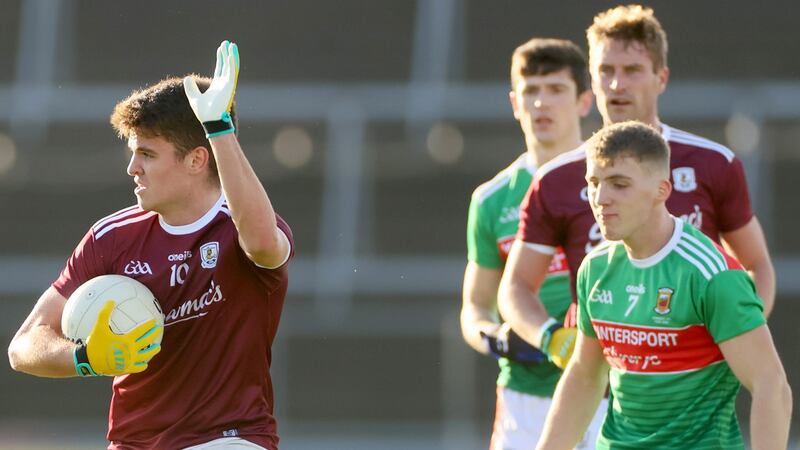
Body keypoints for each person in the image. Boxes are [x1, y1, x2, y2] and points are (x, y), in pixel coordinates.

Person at [8, 41, 293, 450]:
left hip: (229, 440)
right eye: (132, 152)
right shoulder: (111, 238)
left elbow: (265, 245)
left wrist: (219, 129)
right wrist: (85, 359)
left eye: (147, 154)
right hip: (132, 444)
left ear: (197, 160)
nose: (132, 168)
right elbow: (24, 345)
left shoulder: (242, 224)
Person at [498, 4, 775, 366]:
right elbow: (516, 286)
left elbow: (756, 264)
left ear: (661, 78)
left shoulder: (712, 163)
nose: (616, 84)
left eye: (632, 70)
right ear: (592, 80)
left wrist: (739, 335)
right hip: (597, 386)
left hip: (688, 380)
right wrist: (551, 337)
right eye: (605, 70)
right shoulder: (555, 178)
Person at [535, 121, 791, 449]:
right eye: (594, 183)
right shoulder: (594, 269)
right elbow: (585, 376)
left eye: (619, 184)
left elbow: (772, 385)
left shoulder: (711, 273)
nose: (601, 198)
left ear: (662, 190)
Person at [460, 37, 605, 449]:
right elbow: (474, 306)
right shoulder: (491, 199)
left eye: (556, 89)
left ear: (583, 101)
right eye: (531, 91)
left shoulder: (612, 185)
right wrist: (496, 337)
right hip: (526, 398)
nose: (542, 103)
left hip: (608, 392)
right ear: (514, 103)